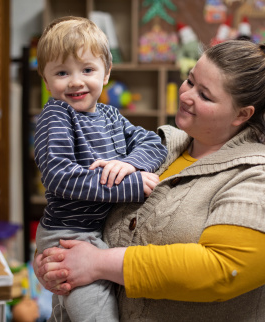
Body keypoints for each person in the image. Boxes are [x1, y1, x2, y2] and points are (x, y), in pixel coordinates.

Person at [34, 39, 265, 322]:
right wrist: (55, 262)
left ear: (242, 114)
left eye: (205, 95)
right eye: (189, 81)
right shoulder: (162, 145)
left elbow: (222, 270)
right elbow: (81, 203)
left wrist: (98, 263)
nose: (186, 96)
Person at [34, 16, 168, 322]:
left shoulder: (111, 115)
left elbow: (153, 142)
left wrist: (130, 163)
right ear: (45, 79)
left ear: (106, 73)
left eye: (87, 69)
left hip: (96, 233)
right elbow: (59, 176)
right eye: (62, 72)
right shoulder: (56, 116)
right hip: (68, 236)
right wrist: (131, 185)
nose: (76, 81)